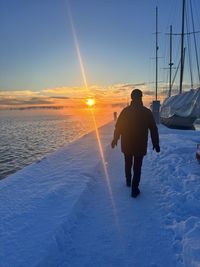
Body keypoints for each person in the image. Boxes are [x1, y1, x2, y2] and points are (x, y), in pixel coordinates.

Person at [111, 89, 160, 198]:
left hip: (127, 144)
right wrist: (156, 143)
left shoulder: (125, 111)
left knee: (128, 163)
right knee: (137, 167)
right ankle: (134, 189)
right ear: (141, 97)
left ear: (132, 98)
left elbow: (118, 127)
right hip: (140, 145)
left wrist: (115, 139)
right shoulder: (147, 112)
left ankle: (129, 181)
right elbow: (153, 129)